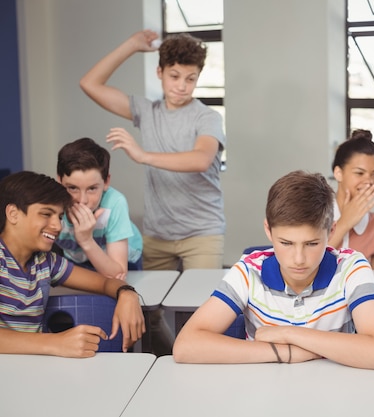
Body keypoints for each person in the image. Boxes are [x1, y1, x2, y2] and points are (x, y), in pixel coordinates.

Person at [173, 171, 374, 370]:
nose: (299, 259)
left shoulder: (352, 268)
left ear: (331, 230)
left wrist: (288, 333)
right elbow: (185, 346)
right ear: (268, 230)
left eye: (312, 244)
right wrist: (289, 353)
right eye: (286, 243)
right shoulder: (249, 271)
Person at [80, 29, 226, 271]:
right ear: (160, 72)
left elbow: (201, 159)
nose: (182, 86)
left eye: (191, 79)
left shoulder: (207, 117)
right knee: (149, 306)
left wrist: (142, 155)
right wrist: (131, 45)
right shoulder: (146, 112)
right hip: (157, 235)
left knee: (200, 304)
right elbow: (89, 83)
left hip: (203, 234)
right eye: (175, 76)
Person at [0, 171, 145, 356]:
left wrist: (127, 294)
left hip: (32, 368)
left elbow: (105, 282)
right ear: (13, 214)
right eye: (46, 214)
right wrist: (55, 342)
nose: (57, 226)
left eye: (59, 217)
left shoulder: (46, 262)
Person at [55, 137, 143, 280]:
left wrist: (86, 240)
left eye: (92, 189)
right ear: (59, 181)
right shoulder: (52, 204)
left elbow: (117, 274)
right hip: (77, 257)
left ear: (106, 182)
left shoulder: (115, 203)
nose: (82, 201)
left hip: (123, 259)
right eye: (72, 188)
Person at [330, 129, 374, 269]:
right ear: (338, 173)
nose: (369, 182)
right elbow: (307, 268)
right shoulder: (313, 216)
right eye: (359, 173)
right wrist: (344, 224)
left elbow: (370, 280)